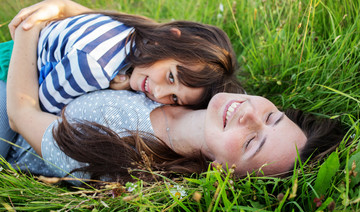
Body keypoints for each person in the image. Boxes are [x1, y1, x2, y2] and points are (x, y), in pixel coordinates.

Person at [1, 21, 345, 185]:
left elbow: (20, 115)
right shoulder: (198, 89)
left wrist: (30, 30)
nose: (249, 114)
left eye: (253, 142)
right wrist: (60, 9)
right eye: (272, 116)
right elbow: (138, 35)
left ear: (221, 171)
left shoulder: (125, 154)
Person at [2, 0, 244, 114]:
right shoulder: (95, 67)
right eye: (171, 77)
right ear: (171, 38)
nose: (158, 94)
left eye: (174, 98)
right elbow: (35, 110)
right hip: (8, 76)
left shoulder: (133, 34)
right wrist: (112, 87)